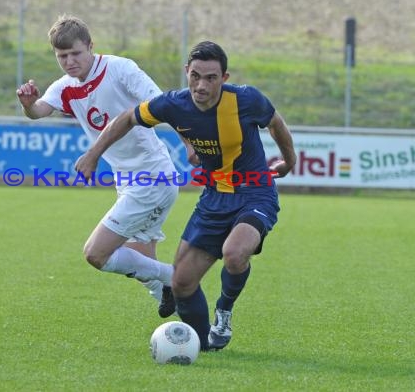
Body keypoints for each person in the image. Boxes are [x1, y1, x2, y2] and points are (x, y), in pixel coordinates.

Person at [75, 41, 297, 351]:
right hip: (213, 197)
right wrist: (93, 153)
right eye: (195, 76)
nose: (201, 85)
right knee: (181, 283)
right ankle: (203, 345)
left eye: (210, 77)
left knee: (234, 253)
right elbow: (127, 118)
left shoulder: (247, 100)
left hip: (255, 192)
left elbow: (276, 124)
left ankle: (224, 310)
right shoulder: (173, 104)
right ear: (186, 73)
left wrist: (289, 161)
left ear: (225, 77)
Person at [16, 14, 191, 318]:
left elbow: (164, 105)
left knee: (96, 254)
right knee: (140, 260)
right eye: (62, 56)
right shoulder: (64, 86)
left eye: (75, 53)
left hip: (152, 177)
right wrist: (28, 104)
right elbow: (38, 111)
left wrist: (189, 144)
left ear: (91, 46)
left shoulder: (120, 69)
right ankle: (174, 301)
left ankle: (176, 278)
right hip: (127, 181)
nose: (69, 61)